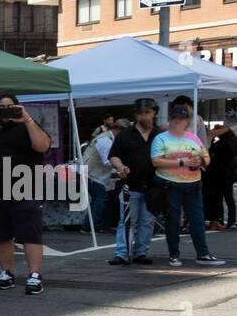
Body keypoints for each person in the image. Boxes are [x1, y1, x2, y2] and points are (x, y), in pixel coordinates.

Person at [0, 93, 52, 294]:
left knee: (30, 233)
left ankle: (34, 275)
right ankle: (7, 272)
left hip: (25, 188)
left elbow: (43, 146)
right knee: (1, 234)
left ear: (18, 108)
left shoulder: (27, 127)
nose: (5, 110)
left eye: (10, 106)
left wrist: (27, 119)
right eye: (1, 107)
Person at [151, 102, 225, 267]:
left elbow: (206, 156)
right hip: (170, 184)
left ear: (187, 121)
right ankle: (174, 254)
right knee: (173, 219)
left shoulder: (193, 137)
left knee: (197, 219)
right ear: (169, 119)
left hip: (193, 183)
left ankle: (203, 254)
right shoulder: (161, 138)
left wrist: (200, 161)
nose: (178, 121)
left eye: (182, 118)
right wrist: (182, 161)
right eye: (175, 118)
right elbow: (155, 161)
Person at [107, 98, 163, 266]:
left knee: (147, 221)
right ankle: (122, 253)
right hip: (130, 185)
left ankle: (141, 252)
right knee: (126, 220)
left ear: (154, 113)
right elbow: (113, 155)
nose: (143, 116)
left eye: (147, 112)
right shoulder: (125, 134)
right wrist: (120, 166)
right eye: (140, 113)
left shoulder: (160, 135)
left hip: (153, 185)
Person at [84, 118, 127, 234]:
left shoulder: (109, 138)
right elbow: (107, 161)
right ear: (118, 130)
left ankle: (93, 225)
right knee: (99, 200)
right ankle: (90, 227)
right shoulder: (105, 140)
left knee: (99, 200)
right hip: (93, 174)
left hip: (96, 174)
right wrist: (121, 166)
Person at [202, 120, 236, 230]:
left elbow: (209, 152)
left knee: (219, 197)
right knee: (229, 197)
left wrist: (210, 140)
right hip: (229, 174)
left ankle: (218, 219)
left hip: (218, 174)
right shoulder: (233, 143)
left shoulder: (220, 144)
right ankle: (232, 220)